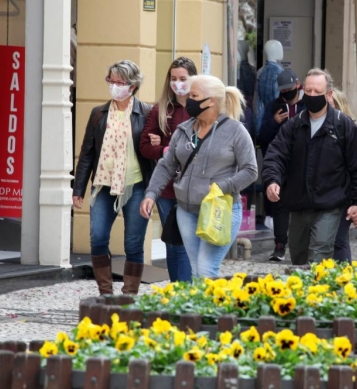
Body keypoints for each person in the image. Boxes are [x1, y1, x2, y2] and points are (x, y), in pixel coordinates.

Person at [140, 75, 258, 278]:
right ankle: (204, 309)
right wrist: (151, 194)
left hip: (219, 211)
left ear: (211, 101)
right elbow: (167, 165)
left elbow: (250, 170)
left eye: (194, 95)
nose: (188, 99)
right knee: (196, 270)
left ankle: (213, 309)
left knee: (205, 269)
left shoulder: (236, 131)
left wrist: (223, 186)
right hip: (186, 211)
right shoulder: (184, 130)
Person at [262, 68, 357, 266]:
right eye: (308, 91)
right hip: (298, 205)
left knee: (321, 251)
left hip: (330, 204)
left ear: (329, 94)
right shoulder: (294, 125)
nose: (311, 96)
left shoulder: (343, 126)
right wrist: (272, 180)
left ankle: (319, 294)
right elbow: (275, 155)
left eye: (317, 92)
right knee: (297, 255)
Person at [72, 60, 153, 295]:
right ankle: (105, 293)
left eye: (121, 82)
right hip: (103, 185)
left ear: (134, 85)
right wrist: (78, 189)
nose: (115, 86)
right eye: (112, 81)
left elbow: (153, 151)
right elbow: (87, 153)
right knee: (97, 238)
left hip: (136, 185)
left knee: (133, 243)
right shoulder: (98, 113)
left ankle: (129, 295)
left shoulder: (146, 112)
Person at [139, 57, 196, 282]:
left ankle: (186, 291)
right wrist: (165, 151)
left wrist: (163, 146)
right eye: (173, 79)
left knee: (184, 241)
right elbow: (144, 146)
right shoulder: (160, 109)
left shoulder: (200, 108)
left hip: (193, 188)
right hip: (166, 188)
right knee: (172, 241)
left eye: (183, 79)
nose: (178, 83)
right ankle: (178, 289)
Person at [258, 69, 305, 261]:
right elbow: (262, 137)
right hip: (280, 162)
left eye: (290, 88)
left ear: (298, 85)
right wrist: (273, 122)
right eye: (283, 90)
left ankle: (302, 246)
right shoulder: (273, 107)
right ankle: (279, 246)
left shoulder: (306, 106)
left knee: (303, 205)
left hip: (302, 161)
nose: (287, 93)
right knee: (279, 205)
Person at [328, 88, 357, 263]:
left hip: (343, 194)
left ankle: (343, 276)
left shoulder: (350, 130)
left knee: (338, 240)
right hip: (320, 193)